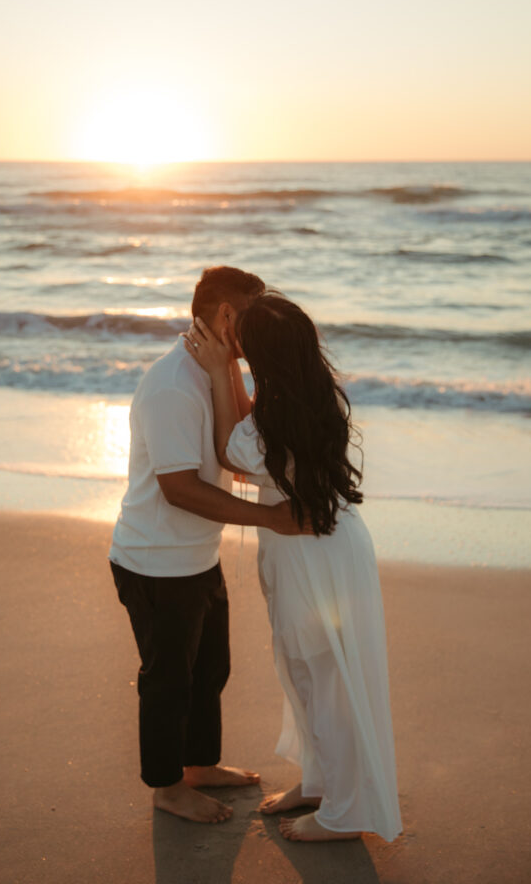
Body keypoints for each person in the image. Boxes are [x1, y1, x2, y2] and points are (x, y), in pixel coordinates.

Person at [184, 291, 402, 843]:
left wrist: (218, 370)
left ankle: (344, 815)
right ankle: (321, 781)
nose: (234, 346)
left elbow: (233, 453)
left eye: (243, 344)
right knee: (304, 671)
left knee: (328, 679)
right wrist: (233, 366)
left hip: (318, 557)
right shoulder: (298, 394)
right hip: (314, 548)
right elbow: (248, 436)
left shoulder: (277, 411)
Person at [109, 267, 308, 825]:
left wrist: (230, 371)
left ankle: (198, 766)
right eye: (253, 316)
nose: (263, 328)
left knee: (209, 668)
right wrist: (270, 518)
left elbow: (245, 442)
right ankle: (168, 788)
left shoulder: (215, 370)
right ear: (226, 318)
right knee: (169, 679)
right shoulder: (174, 385)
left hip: (194, 556)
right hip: (155, 561)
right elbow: (179, 489)